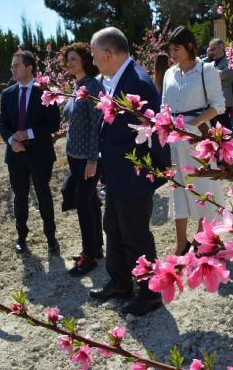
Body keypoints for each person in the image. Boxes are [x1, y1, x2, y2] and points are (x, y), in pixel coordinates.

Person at [88, 27, 171, 316]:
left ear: (109, 54)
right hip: (117, 174)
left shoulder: (137, 81)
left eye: (96, 57)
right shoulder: (118, 78)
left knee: (136, 235)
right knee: (113, 227)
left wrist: (156, 173)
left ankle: (150, 293)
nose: (94, 63)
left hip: (134, 176)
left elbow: (157, 133)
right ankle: (121, 280)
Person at [163, 26, 226, 255]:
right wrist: (165, 126)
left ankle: (205, 237)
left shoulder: (205, 70)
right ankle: (181, 242)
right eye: (170, 49)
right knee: (178, 186)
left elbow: (218, 105)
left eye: (176, 48)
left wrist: (192, 127)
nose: (173, 53)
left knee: (203, 186)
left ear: (189, 46)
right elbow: (164, 106)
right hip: (174, 137)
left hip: (198, 136)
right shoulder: (170, 73)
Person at [0, 51, 61, 255]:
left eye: (17, 65)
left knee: (43, 195)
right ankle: (22, 237)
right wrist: (11, 140)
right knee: (20, 197)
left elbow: (54, 123)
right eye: (12, 66)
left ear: (29, 68)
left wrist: (30, 133)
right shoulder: (7, 94)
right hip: (16, 154)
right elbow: (3, 123)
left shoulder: (46, 91)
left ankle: (51, 238)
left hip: (40, 153)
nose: (13, 69)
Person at [60, 42, 104, 276]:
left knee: (83, 204)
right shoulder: (77, 86)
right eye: (67, 59)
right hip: (74, 156)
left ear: (85, 60)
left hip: (88, 157)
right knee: (91, 201)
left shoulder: (92, 87)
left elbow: (98, 126)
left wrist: (93, 159)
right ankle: (96, 247)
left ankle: (89, 255)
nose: (69, 63)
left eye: (74, 58)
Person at [204, 38, 233, 129]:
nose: (211, 52)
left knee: (224, 129)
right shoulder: (210, 62)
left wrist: (208, 71)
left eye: (213, 49)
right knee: (213, 129)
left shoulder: (229, 60)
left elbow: (225, 74)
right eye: (210, 50)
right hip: (211, 102)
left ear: (221, 47)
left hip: (224, 102)